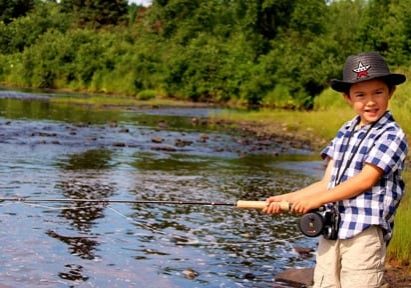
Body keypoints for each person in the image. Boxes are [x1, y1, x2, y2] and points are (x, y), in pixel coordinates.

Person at [263, 51, 408, 288]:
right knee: (324, 284)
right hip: (333, 230)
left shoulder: (392, 134)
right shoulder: (345, 130)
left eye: (378, 93)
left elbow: (365, 180)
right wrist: (287, 198)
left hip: (364, 233)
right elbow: (326, 182)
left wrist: (315, 201)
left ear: (390, 92)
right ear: (348, 98)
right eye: (360, 95)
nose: (370, 102)